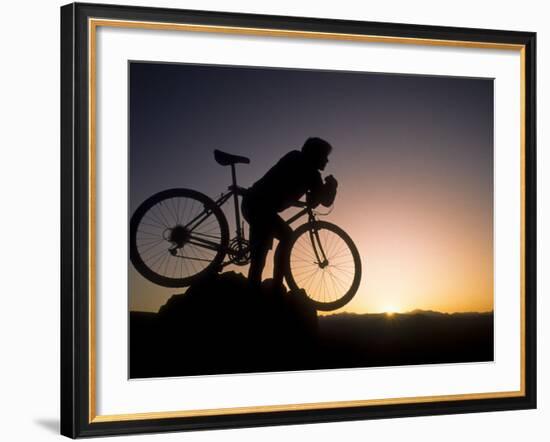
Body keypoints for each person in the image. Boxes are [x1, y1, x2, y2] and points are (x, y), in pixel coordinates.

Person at [241, 137, 338, 292]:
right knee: (283, 239)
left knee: (263, 250)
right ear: (316, 154)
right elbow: (322, 201)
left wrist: (325, 189)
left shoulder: (295, 158)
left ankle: (268, 288)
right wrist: (332, 186)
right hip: (260, 206)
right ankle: (274, 287)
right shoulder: (309, 171)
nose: (327, 160)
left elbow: (314, 201)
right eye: (325, 156)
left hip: (254, 203)